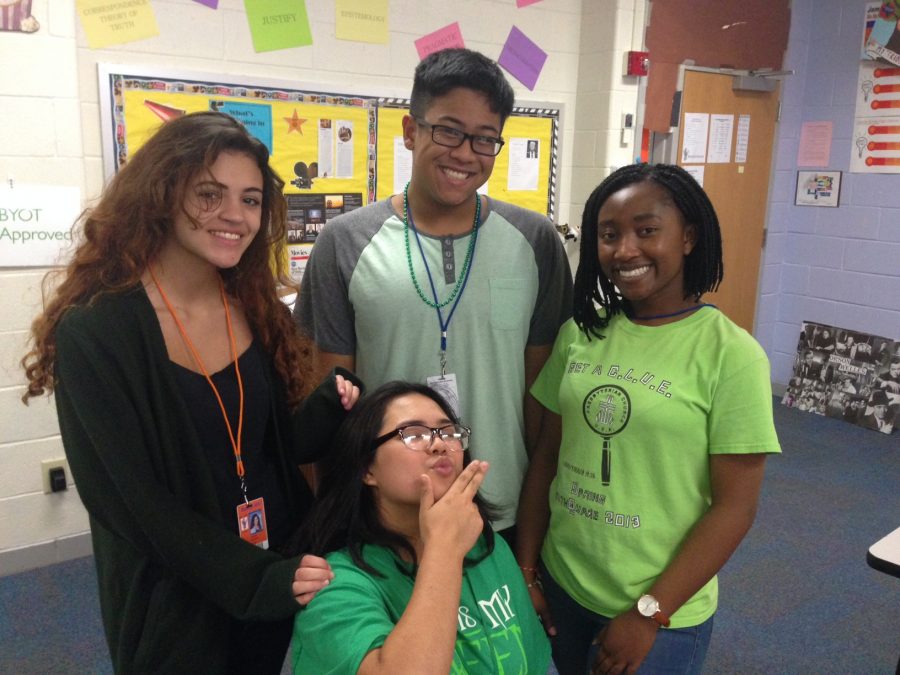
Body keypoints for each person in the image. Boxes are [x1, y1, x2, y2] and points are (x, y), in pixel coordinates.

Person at [20, 111, 361, 674]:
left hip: (270, 570)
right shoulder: (99, 331)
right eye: (210, 194)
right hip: (177, 598)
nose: (234, 215)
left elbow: (264, 450)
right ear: (161, 195)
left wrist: (327, 407)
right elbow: (131, 503)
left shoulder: (254, 310)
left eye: (250, 200)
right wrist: (256, 581)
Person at [294, 48, 573, 541]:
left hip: (503, 509)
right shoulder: (345, 242)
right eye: (447, 130)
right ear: (410, 130)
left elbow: (542, 396)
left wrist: (536, 524)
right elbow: (332, 397)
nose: (465, 153)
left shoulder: (535, 241)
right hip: (389, 515)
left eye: (485, 139)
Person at [515, 163, 781, 674]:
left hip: (661, 613)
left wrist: (650, 612)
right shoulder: (580, 334)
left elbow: (735, 509)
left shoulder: (733, 356)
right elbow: (546, 458)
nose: (625, 250)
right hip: (561, 586)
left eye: (647, 230)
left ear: (688, 238)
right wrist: (528, 571)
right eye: (609, 235)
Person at [290, 382, 553, 674]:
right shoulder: (334, 585)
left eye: (449, 432)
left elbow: (538, 661)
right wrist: (445, 550)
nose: (440, 444)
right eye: (413, 435)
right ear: (366, 468)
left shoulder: (488, 546)